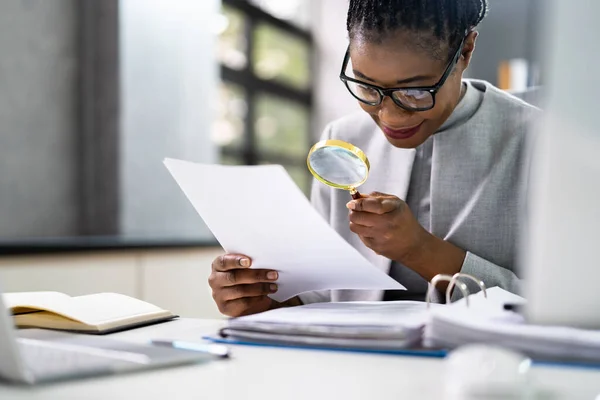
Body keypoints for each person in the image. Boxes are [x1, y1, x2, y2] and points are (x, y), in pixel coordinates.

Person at [209, 0, 540, 316]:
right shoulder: (342, 142)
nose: (390, 118)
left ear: (465, 50)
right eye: (366, 87)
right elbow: (325, 295)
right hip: (355, 364)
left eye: (415, 92)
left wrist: (419, 250)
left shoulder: (540, 142)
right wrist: (267, 303)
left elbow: (571, 308)